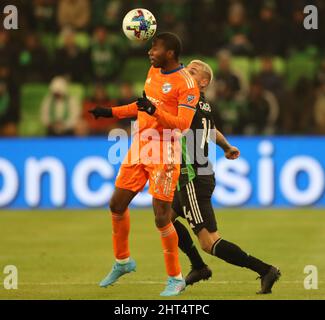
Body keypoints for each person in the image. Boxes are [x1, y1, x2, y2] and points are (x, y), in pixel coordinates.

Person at [88, 32, 200, 296]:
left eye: (155, 48)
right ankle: (123, 262)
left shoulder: (187, 84)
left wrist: (154, 111)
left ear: (170, 53)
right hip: (140, 146)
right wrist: (110, 112)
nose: (150, 52)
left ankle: (176, 277)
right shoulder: (153, 70)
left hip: (165, 151)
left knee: (161, 217)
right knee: (116, 204)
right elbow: (142, 106)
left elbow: (183, 125)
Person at [171, 59, 281, 294]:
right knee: (164, 217)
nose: (185, 73)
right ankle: (199, 267)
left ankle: (265, 270)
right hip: (195, 175)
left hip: (192, 177)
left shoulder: (190, 101)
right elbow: (211, 130)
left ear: (203, 82)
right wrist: (226, 146)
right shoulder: (202, 104)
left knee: (209, 243)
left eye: (191, 71)